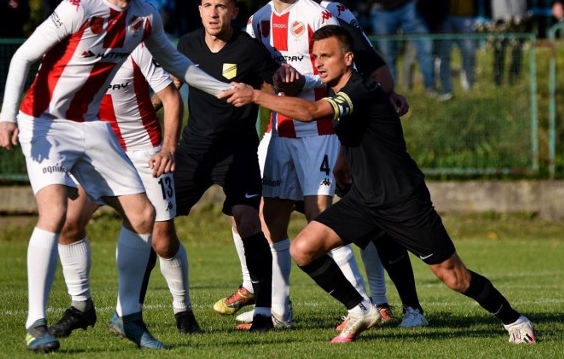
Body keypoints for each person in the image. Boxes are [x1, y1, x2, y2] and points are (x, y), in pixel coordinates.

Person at [220, 24, 537, 345]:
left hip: (403, 201)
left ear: (348, 58)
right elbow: (357, 130)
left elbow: (312, 112)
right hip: (364, 201)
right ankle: (360, 308)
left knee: (454, 277)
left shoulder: (361, 90)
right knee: (304, 249)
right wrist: (344, 159)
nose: (318, 63)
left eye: (326, 56)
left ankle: (514, 320)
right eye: (315, 56)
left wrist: (257, 95)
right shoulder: (342, 92)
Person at [0, 0, 231, 353]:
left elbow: (176, 64)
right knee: (55, 213)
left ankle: (128, 317)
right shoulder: (77, 8)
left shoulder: (145, 16)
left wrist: (226, 89)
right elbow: (22, 56)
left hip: (89, 126)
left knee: (142, 215)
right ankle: (36, 323)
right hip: (44, 122)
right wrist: (7, 116)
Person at [48, 0, 201, 341]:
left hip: (143, 151)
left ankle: (181, 308)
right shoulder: (62, 52)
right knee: (68, 222)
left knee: (163, 240)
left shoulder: (134, 44)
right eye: (81, 4)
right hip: (95, 153)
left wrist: (167, 148)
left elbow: (169, 97)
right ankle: (81, 306)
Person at [233, 0, 367, 330]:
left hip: (320, 129)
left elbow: (339, 73)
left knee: (319, 217)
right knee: (271, 217)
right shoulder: (256, 21)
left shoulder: (316, 16)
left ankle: (359, 304)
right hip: (280, 129)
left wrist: (299, 79)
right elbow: (257, 71)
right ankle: (278, 310)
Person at [294, 0, 427, 328]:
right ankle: (271, 307)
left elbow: (375, 69)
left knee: (374, 222)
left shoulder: (335, 18)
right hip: (294, 132)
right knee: (272, 216)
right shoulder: (268, 20)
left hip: (337, 129)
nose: (299, 1)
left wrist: (386, 94)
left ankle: (401, 305)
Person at [172, 0, 277, 331]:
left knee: (248, 220)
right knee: (156, 221)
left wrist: (273, 126)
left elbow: (270, 90)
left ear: (234, 12)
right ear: (199, 11)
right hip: (193, 151)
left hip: (238, 151)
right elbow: (171, 87)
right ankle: (170, 312)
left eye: (221, 6)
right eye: (207, 6)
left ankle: (264, 311)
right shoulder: (186, 44)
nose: (213, 13)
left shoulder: (250, 50)